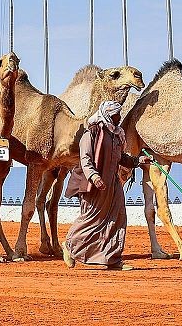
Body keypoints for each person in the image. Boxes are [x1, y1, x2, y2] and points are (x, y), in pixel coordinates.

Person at [62, 100, 149, 271]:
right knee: (91, 219)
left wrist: (138, 161)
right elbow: (85, 159)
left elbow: (120, 158)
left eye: (119, 114)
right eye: (116, 115)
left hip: (113, 185)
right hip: (93, 185)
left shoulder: (117, 135)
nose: (119, 117)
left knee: (117, 219)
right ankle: (70, 245)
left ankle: (111, 259)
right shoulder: (91, 134)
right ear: (107, 114)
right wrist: (94, 177)